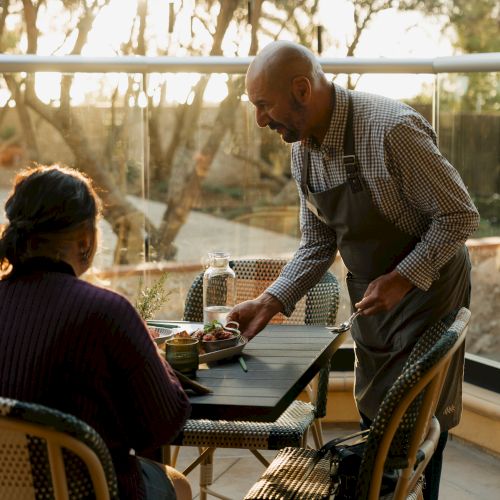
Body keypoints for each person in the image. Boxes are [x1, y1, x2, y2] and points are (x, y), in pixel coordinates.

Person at [228, 41, 480, 500]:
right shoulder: (302, 150)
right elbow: (318, 244)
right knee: (376, 416)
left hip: (429, 293)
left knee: (416, 423)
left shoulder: (391, 130)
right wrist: (269, 302)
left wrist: (404, 277)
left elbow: (460, 215)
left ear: (302, 89)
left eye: (263, 105)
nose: (261, 119)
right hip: (372, 297)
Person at [0, 164, 192, 500]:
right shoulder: (106, 312)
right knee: (177, 483)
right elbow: (163, 425)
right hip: (91, 491)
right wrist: (156, 358)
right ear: (86, 239)